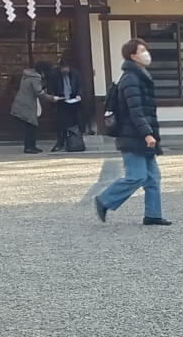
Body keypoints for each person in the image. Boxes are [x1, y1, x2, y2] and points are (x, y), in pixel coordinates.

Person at [94, 38, 171, 226]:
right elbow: (135, 110)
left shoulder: (140, 75)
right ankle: (104, 200)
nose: (146, 53)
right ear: (132, 55)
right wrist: (147, 134)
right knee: (136, 176)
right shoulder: (131, 78)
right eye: (142, 50)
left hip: (141, 134)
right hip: (133, 136)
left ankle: (153, 215)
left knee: (153, 177)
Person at [48, 59, 84, 153]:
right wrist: (53, 97)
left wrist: (79, 95)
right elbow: (50, 88)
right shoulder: (54, 75)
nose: (65, 70)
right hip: (61, 101)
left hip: (73, 101)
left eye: (66, 68)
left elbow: (80, 86)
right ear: (60, 68)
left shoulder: (75, 74)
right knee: (61, 124)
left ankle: (75, 141)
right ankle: (60, 142)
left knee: (75, 122)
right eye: (63, 68)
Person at [11, 62, 46, 154]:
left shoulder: (26, 76)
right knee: (30, 126)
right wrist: (51, 97)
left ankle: (31, 146)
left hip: (22, 102)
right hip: (28, 104)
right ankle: (29, 147)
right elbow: (38, 92)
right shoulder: (35, 78)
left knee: (30, 126)